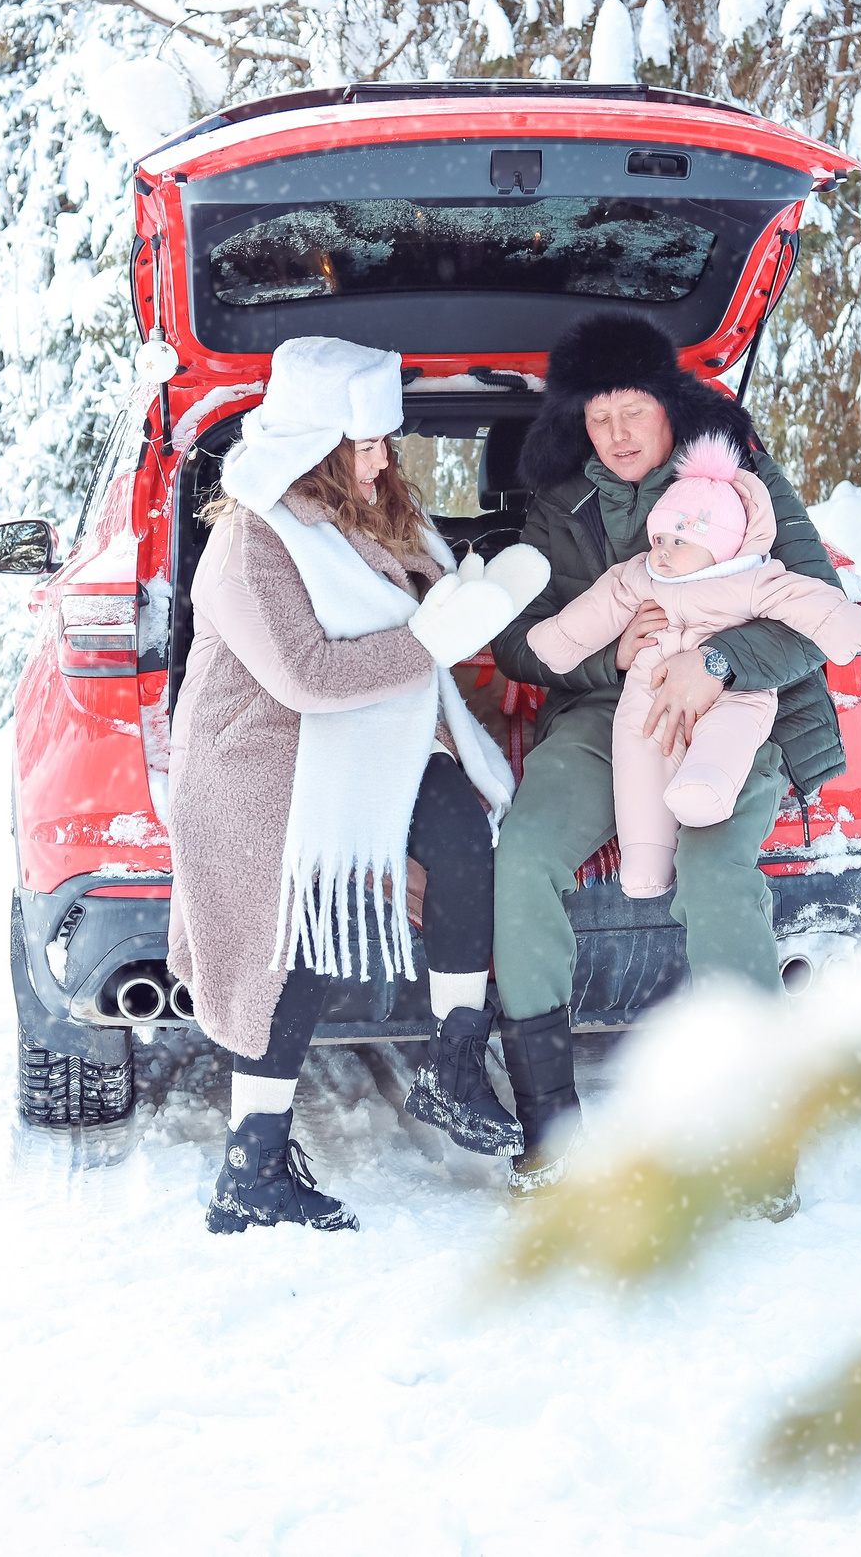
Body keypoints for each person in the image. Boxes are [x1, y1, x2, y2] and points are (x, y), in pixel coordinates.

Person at [167, 335, 550, 1234]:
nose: (384, 461)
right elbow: (305, 673)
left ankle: (454, 1062)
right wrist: (429, 639)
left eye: (384, 442)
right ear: (318, 446)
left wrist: (465, 594)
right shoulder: (251, 541)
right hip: (257, 761)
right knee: (295, 931)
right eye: (367, 445)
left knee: (459, 825)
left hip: (366, 738)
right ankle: (251, 1167)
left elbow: (426, 592)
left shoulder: (377, 511)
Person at [488, 313, 853, 1197]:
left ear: (668, 406)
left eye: (632, 411)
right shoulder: (560, 504)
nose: (616, 434)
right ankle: (551, 1130)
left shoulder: (741, 480)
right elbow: (519, 642)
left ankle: (762, 1137)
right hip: (603, 713)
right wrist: (609, 657)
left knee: (716, 872)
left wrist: (718, 661)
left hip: (734, 710)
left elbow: (816, 608)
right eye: (597, 416)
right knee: (523, 856)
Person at [519, 434, 861, 900]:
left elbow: (804, 600)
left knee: (730, 732)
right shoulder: (643, 574)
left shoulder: (751, 578)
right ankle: (646, 858)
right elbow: (601, 604)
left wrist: (846, 626)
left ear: (719, 545)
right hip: (651, 686)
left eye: (680, 541)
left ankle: (706, 790)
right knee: (639, 751)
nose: (663, 552)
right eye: (659, 539)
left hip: (734, 691)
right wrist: (561, 640)